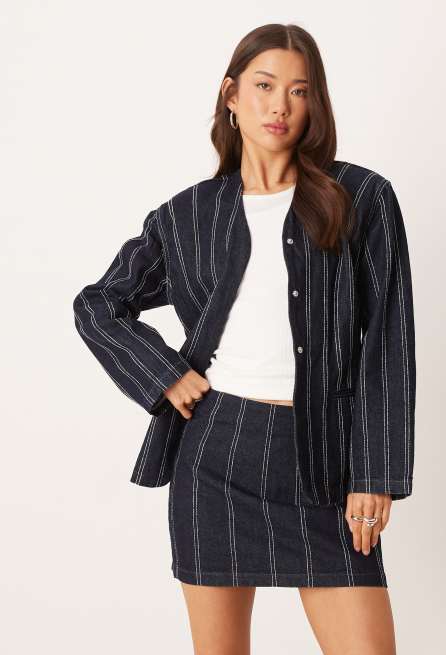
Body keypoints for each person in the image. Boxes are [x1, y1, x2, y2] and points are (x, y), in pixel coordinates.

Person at [73, 23, 415, 655]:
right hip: (216, 454)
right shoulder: (188, 216)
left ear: (315, 104)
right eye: (264, 86)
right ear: (231, 95)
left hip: (324, 459)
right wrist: (163, 374)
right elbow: (98, 305)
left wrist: (376, 472)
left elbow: (387, 343)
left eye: (299, 90)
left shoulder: (361, 197)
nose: (280, 105)